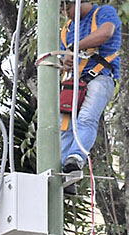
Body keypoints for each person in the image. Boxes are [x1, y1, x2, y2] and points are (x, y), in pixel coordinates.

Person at [60, 0, 121, 172]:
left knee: (86, 118)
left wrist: (76, 47)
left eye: (68, 8)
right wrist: (65, 61)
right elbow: (64, 57)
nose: (67, 14)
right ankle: (65, 173)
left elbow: (106, 32)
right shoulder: (67, 30)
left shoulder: (103, 13)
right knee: (65, 127)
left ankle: (76, 158)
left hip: (100, 77)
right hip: (74, 83)